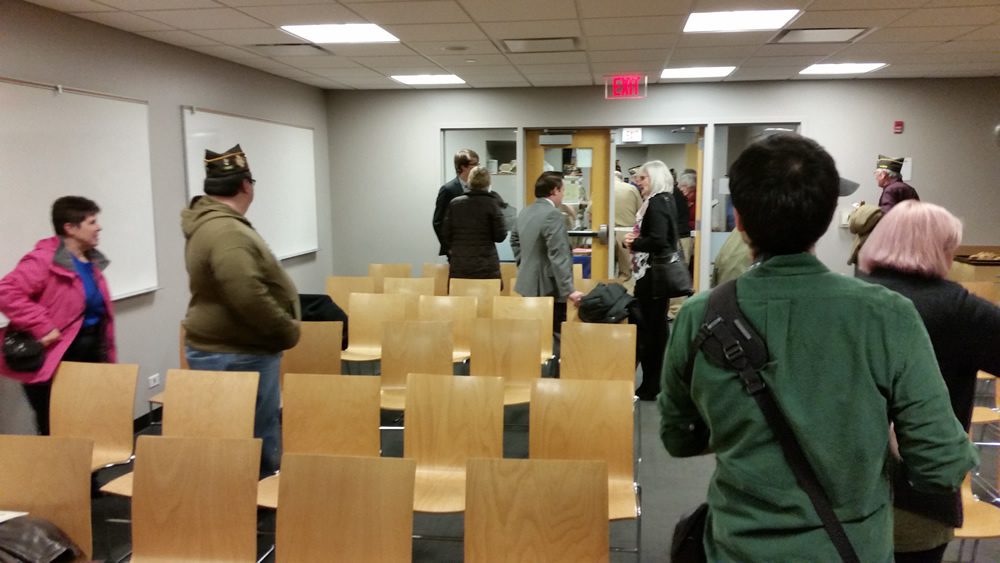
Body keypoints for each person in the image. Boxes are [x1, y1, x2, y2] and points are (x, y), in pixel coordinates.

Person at [659, 133, 976, 561]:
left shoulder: (701, 314)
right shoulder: (887, 315)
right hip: (852, 548)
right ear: (828, 219)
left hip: (737, 546)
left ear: (740, 222)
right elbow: (941, 464)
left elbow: (678, 438)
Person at [858, 200, 1000, 563]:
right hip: (919, 496)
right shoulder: (960, 310)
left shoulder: (846, 298)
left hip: (837, 490)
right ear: (940, 249)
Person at [181, 144, 301, 477]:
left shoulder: (210, 223)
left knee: (229, 434)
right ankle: (254, 502)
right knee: (253, 435)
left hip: (227, 346)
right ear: (246, 185)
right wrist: (285, 329)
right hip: (240, 350)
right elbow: (246, 294)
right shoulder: (227, 231)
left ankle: (236, 501)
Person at [0, 196, 116, 435]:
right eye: (92, 222)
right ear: (70, 228)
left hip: (90, 352)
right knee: (57, 429)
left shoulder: (90, 260)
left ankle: (87, 473)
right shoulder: (44, 259)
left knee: (86, 425)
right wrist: (41, 326)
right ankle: (62, 473)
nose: (99, 227)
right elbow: (6, 291)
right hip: (57, 356)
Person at [624, 160, 680, 401]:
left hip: (652, 277)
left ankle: (650, 385)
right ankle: (654, 382)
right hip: (656, 276)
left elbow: (658, 240)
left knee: (649, 331)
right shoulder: (668, 199)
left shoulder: (656, 203)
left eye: (643, 178)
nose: (639, 182)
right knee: (656, 330)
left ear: (655, 179)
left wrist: (633, 243)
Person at [510, 171, 584, 340]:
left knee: (532, 336)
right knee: (552, 338)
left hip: (527, 284)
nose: (563, 195)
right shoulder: (553, 215)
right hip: (548, 287)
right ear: (555, 190)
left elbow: (514, 239)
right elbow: (559, 253)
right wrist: (569, 290)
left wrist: (524, 263)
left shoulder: (525, 212)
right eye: (563, 190)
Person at [442, 165, 507, 280]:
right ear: (488, 183)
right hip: (486, 265)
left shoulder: (455, 204)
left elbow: (446, 234)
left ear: (469, 181)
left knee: (462, 296)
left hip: (460, 265)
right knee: (487, 297)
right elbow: (500, 236)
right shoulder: (492, 204)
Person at [433, 148, 479, 258]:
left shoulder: (479, 188)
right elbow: (438, 222)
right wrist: (449, 248)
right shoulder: (448, 189)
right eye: (475, 164)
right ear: (463, 166)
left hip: (476, 249)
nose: (478, 167)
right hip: (456, 249)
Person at [613, 171, 642, 281]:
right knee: (625, 273)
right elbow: (640, 212)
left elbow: (591, 214)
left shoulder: (602, 188)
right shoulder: (632, 189)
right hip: (627, 233)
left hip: (605, 232)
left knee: (605, 269)